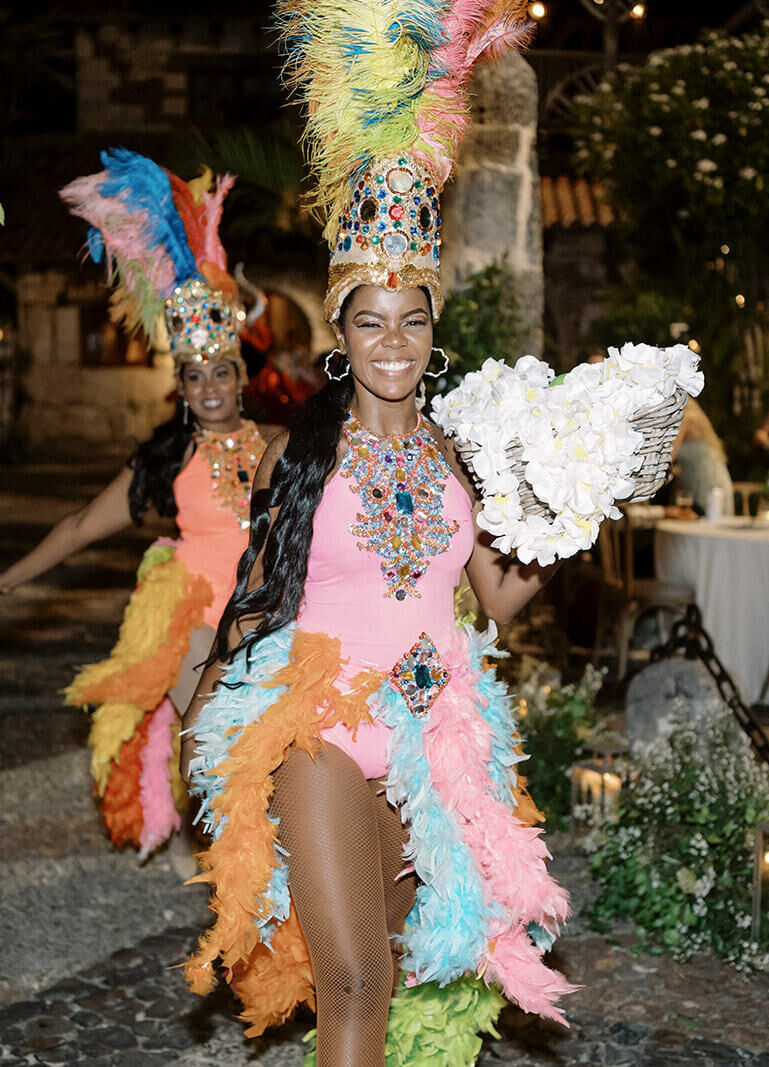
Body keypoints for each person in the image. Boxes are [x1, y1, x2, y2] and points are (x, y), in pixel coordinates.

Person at [179, 4, 575, 1065]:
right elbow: (249, 587)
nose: (392, 340)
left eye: (411, 318)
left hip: (434, 730)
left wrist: (567, 518)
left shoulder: (461, 456)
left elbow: (496, 600)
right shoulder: (293, 452)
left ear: (432, 329)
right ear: (342, 334)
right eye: (368, 319)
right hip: (319, 719)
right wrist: (198, 708)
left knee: (405, 969)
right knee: (351, 974)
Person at [0, 151, 269, 860]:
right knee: (212, 754)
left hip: (272, 624)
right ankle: (231, 886)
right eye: (193, 375)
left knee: (276, 769)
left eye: (219, 371)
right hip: (196, 628)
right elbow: (82, 524)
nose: (208, 386)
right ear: (179, 385)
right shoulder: (168, 459)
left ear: (239, 376)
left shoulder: (278, 444)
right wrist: (9, 579)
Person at [669, 397, 734, 516]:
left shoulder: (686, 417)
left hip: (708, 483)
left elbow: (668, 457)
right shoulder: (696, 416)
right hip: (711, 480)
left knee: (708, 529)